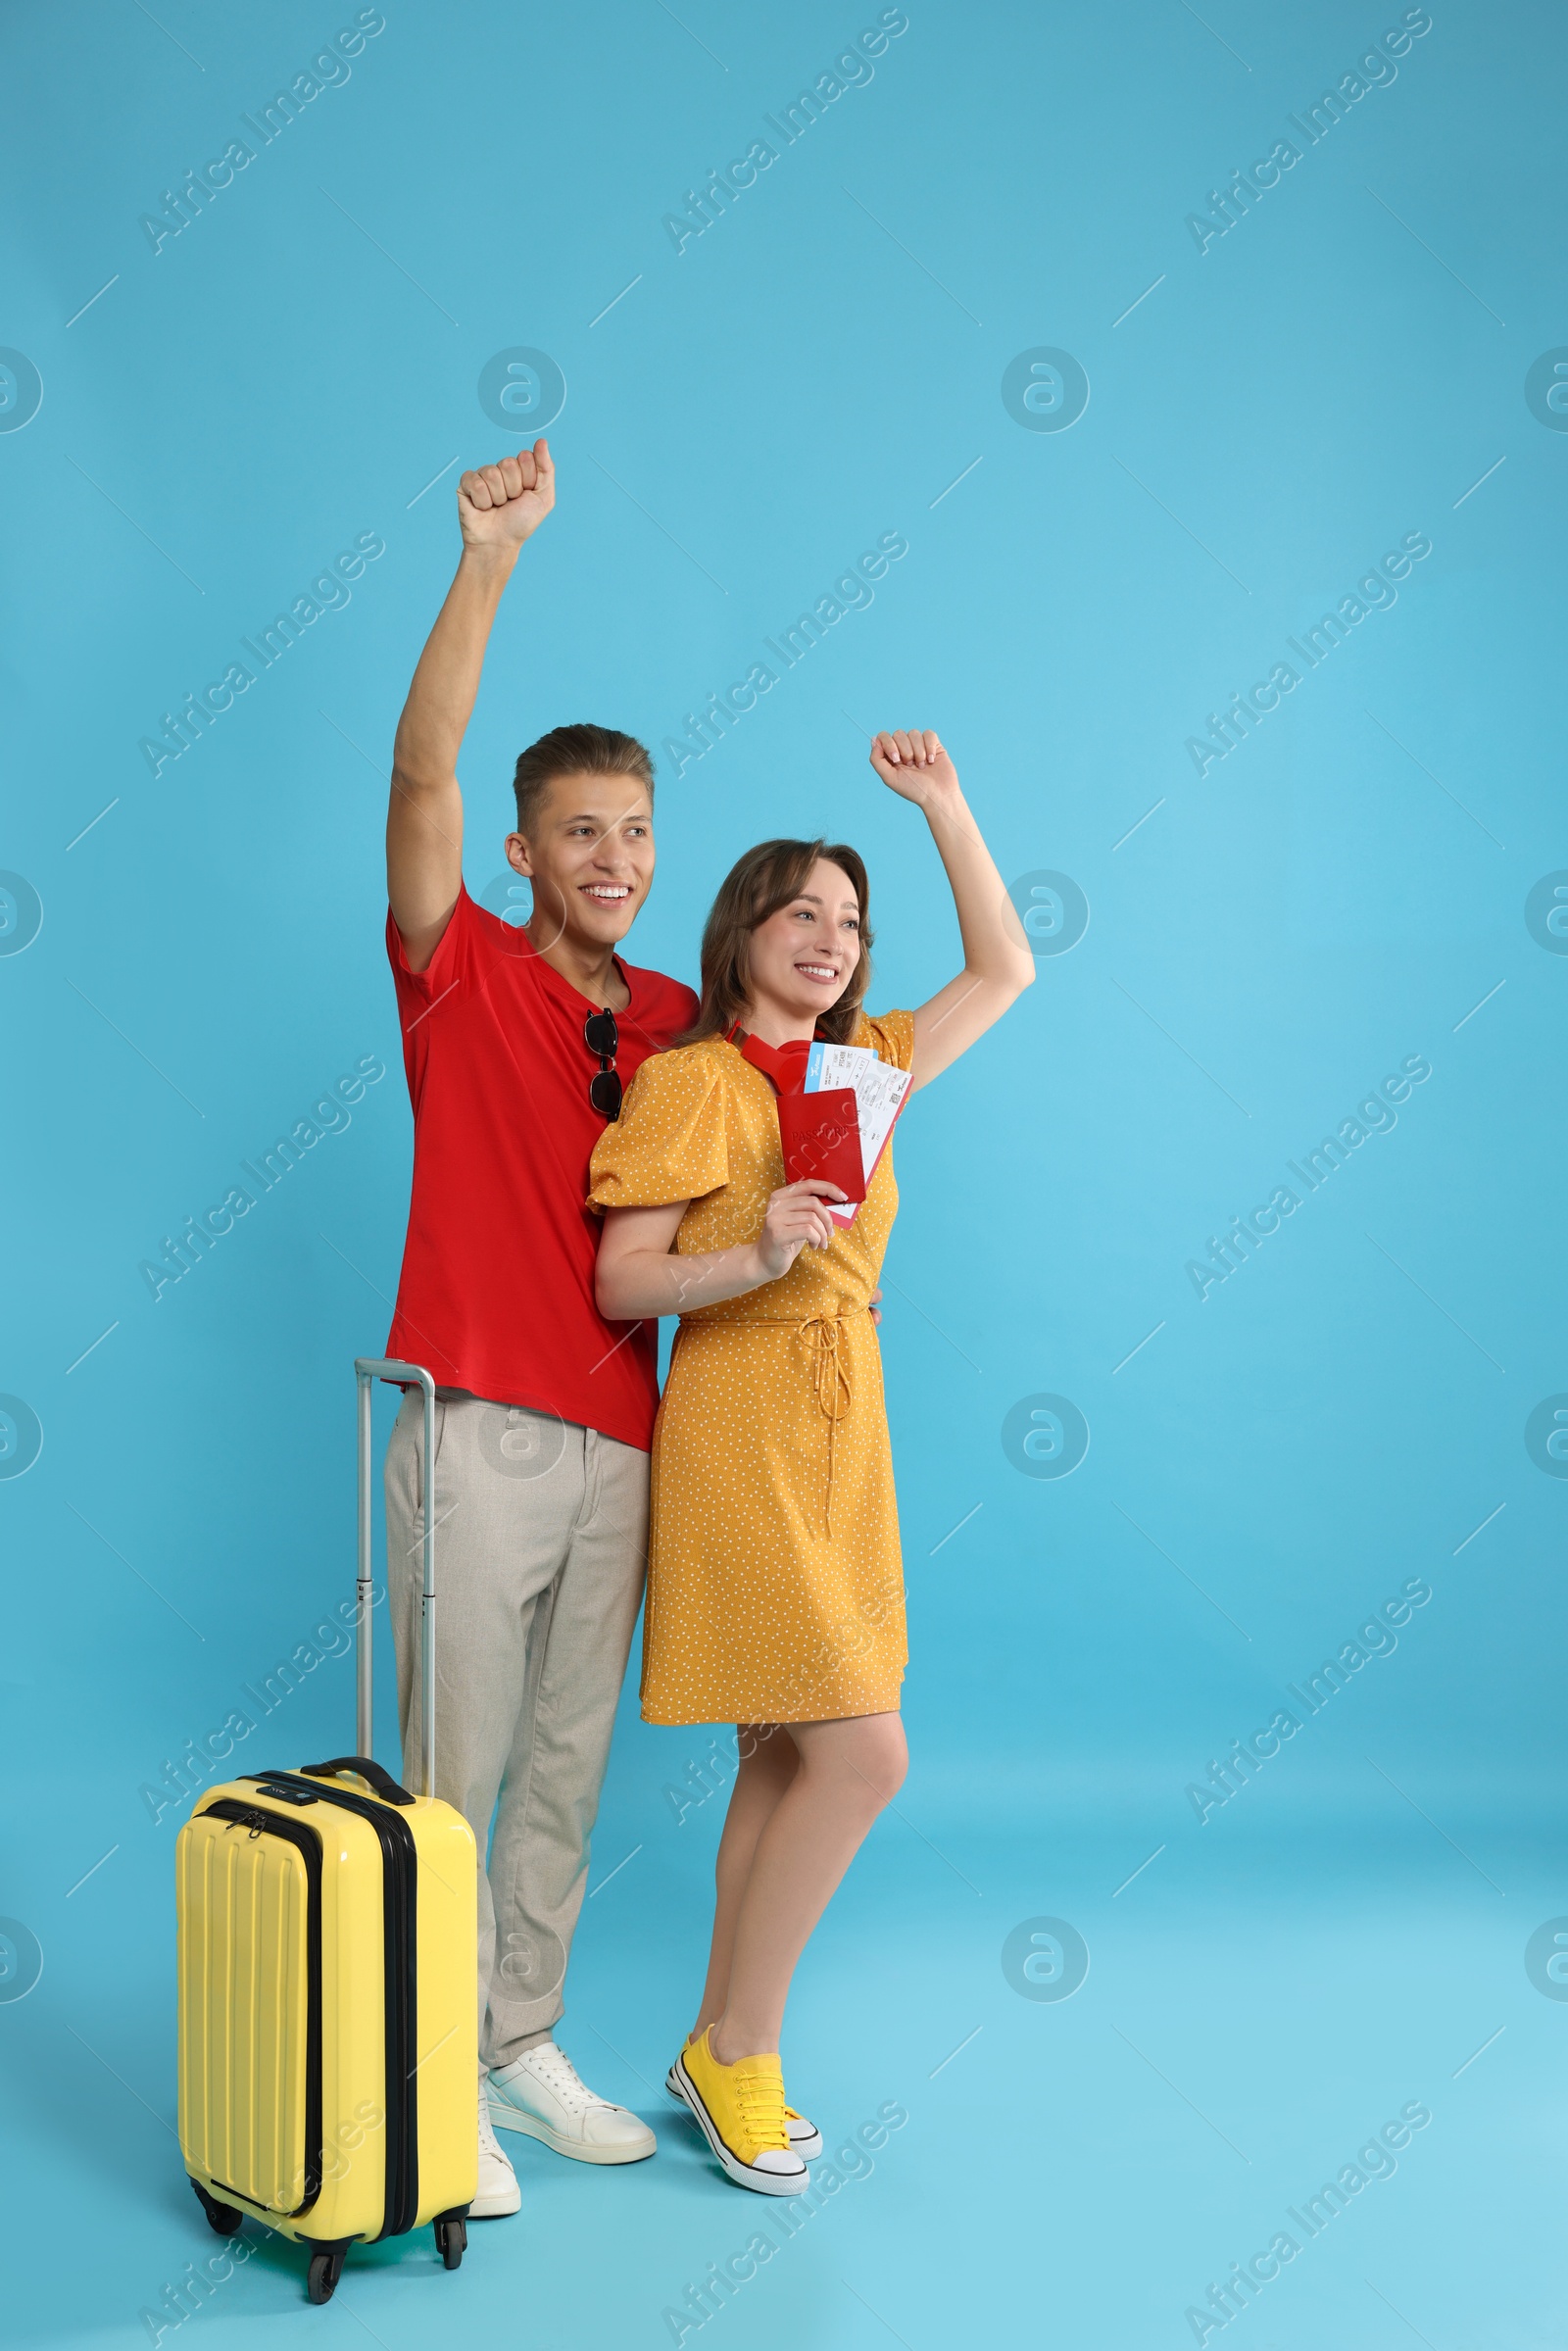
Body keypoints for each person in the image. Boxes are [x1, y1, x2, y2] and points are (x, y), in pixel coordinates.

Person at [589, 731, 1033, 2193]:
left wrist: (947, 810)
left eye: (851, 923)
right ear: (742, 936)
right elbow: (622, 1284)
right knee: (864, 1750)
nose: (834, 944)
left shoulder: (872, 1066)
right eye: (804, 919)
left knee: (789, 1748)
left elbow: (1004, 970)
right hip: (739, 1419)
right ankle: (742, 2052)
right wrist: (753, 1243)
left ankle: (713, 2038)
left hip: (847, 1418)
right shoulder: (694, 1084)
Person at [381, 441, 698, 2217]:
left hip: (629, 1442)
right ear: (523, 850)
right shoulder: (463, 968)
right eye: (580, 831)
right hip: (479, 1422)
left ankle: (517, 2040)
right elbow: (419, 767)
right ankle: (424, 2074)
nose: (615, 857)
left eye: (638, 831)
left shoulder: (673, 1015)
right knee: (460, 1766)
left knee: (570, 1766)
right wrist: (489, 562)